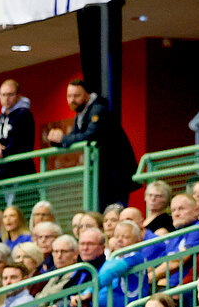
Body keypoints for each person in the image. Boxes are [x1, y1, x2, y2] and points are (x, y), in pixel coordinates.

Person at [46, 78, 138, 210]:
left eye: (77, 96)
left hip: (115, 173)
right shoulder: (81, 112)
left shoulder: (98, 109)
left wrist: (63, 139)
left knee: (115, 211)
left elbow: (90, 135)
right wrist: (56, 140)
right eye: (69, 96)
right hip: (102, 174)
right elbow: (74, 137)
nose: (72, 100)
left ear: (87, 95)